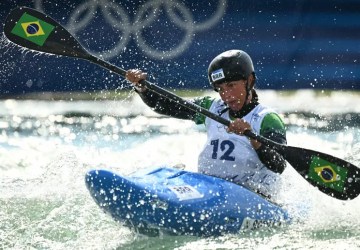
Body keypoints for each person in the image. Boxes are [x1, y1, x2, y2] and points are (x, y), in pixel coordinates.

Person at [125, 49, 287, 200]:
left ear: (249, 81)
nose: (227, 95)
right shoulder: (212, 107)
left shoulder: (268, 119)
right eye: (220, 89)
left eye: (231, 86)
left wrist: (254, 139)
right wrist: (142, 88)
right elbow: (166, 105)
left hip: (253, 197)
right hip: (211, 190)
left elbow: (279, 165)